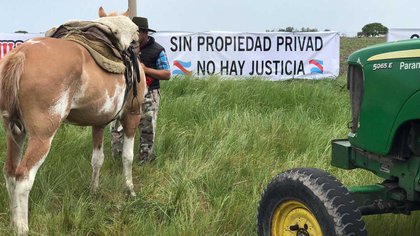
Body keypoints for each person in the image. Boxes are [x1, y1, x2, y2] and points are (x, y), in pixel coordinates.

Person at [111, 16, 171, 164]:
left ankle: (145, 161)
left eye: (135, 32)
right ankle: (116, 160)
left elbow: (167, 74)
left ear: (144, 32)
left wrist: (145, 70)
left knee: (147, 127)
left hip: (149, 93)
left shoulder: (157, 50)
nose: (132, 36)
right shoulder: (124, 47)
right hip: (126, 93)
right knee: (117, 127)